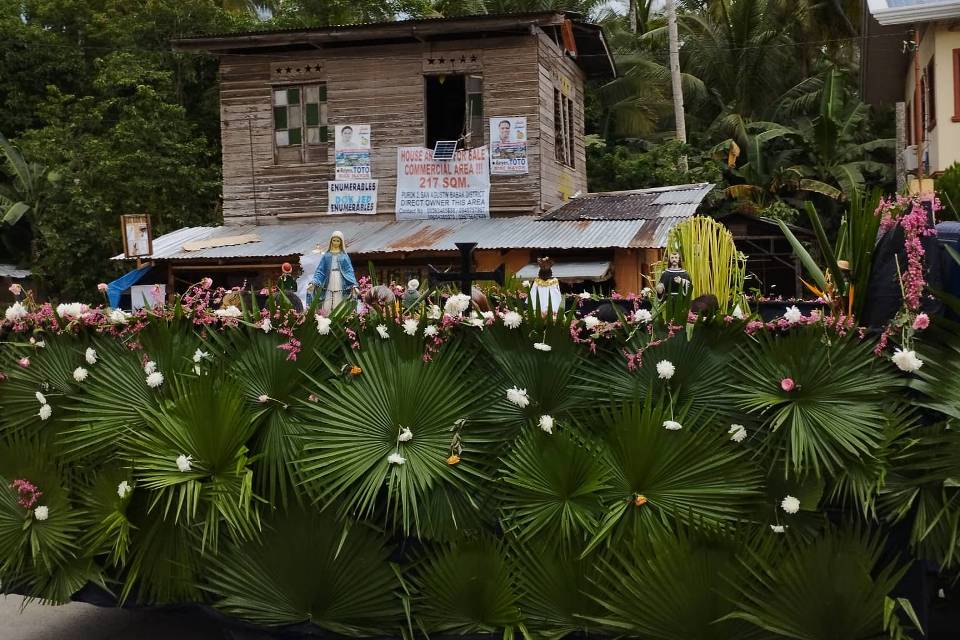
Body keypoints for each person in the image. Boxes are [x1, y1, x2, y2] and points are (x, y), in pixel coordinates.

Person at [309, 231, 358, 313]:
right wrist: (314, 282)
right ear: (331, 241)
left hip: (340, 279)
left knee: (339, 297)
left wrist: (353, 285)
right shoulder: (326, 256)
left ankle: (340, 315)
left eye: (338, 241)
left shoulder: (344, 256)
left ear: (341, 242)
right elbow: (320, 271)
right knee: (328, 298)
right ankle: (327, 316)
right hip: (329, 279)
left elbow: (349, 271)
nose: (335, 242)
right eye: (334, 240)